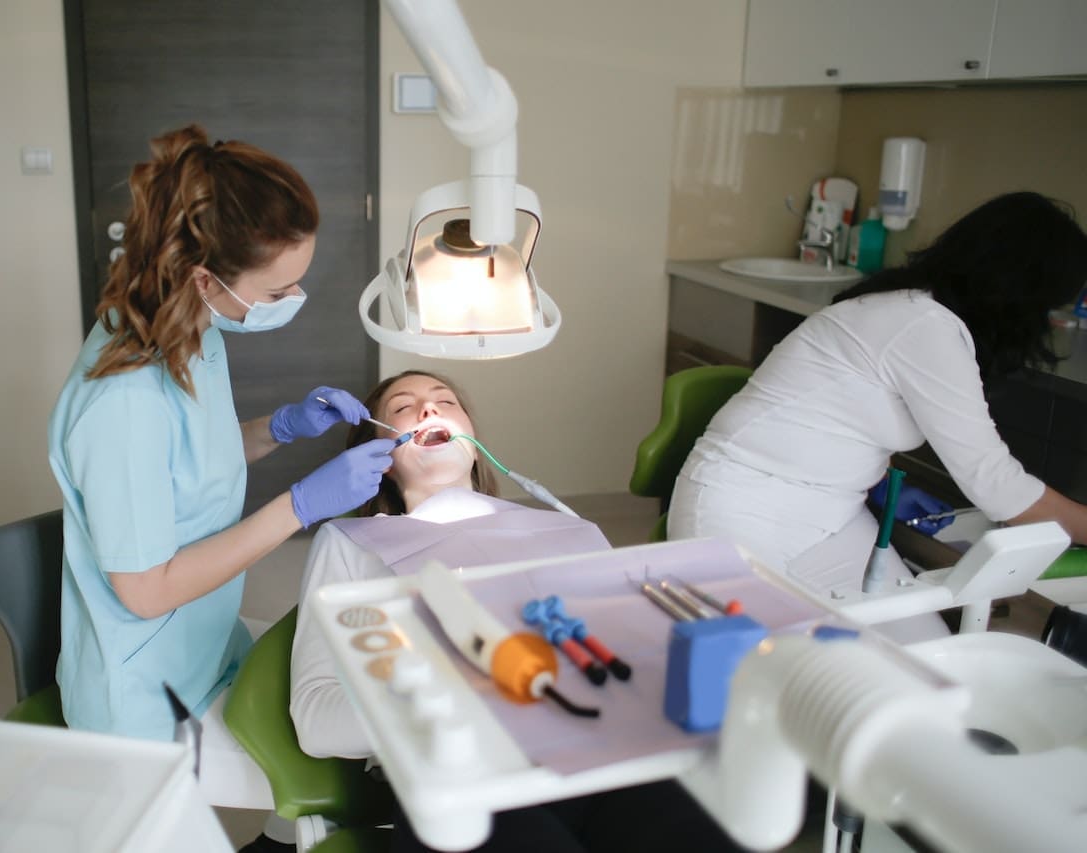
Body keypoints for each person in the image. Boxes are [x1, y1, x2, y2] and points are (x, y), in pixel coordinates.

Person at [287, 370, 740, 853]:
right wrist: (445, 697)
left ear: (473, 439)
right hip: (466, 780)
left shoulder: (568, 530)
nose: (428, 410)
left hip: (606, 759)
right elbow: (315, 719)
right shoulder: (352, 544)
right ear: (378, 456)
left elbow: (636, 660)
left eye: (446, 402)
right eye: (402, 407)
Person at [47, 125, 396, 742]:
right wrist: (298, 507)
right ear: (206, 278)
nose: (294, 298)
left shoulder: (189, 326)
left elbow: (185, 463)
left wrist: (281, 427)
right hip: (146, 697)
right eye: (277, 290)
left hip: (205, 640)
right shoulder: (122, 403)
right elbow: (148, 592)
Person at [669, 191, 1087, 641]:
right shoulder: (923, 325)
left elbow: (845, 411)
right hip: (740, 508)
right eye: (1050, 308)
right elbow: (995, 483)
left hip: (833, 517)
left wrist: (873, 473)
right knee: (774, 667)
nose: (1048, 324)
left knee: (922, 656)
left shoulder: (916, 312)